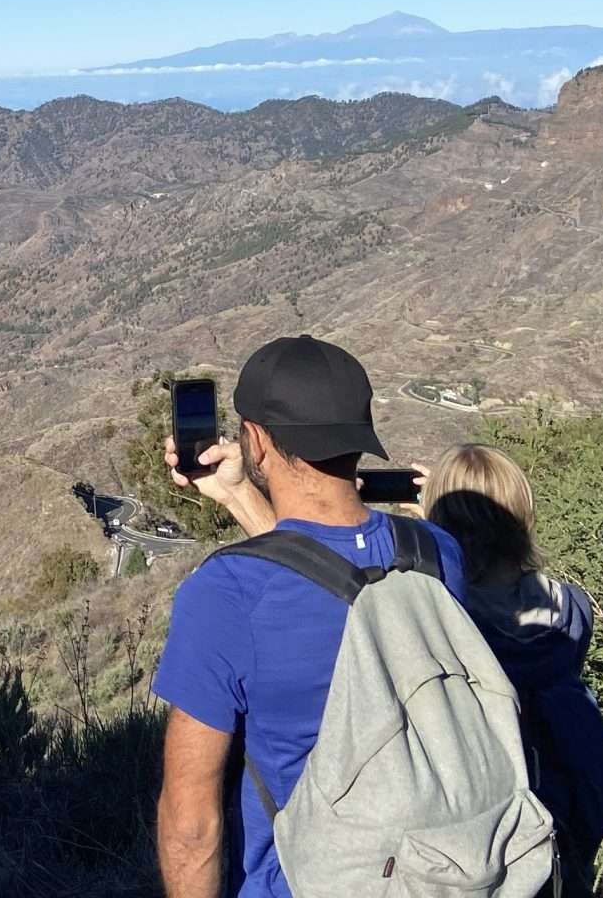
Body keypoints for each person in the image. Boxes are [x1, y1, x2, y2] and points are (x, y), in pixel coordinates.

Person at [150, 335, 468, 898]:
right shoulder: (438, 555)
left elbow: (191, 826)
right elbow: (319, 576)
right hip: (431, 876)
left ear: (255, 440)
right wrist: (238, 495)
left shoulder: (226, 593)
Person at [425, 444, 603, 898]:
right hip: (561, 820)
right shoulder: (572, 609)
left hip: (479, 832)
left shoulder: (446, 616)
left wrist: (431, 531)